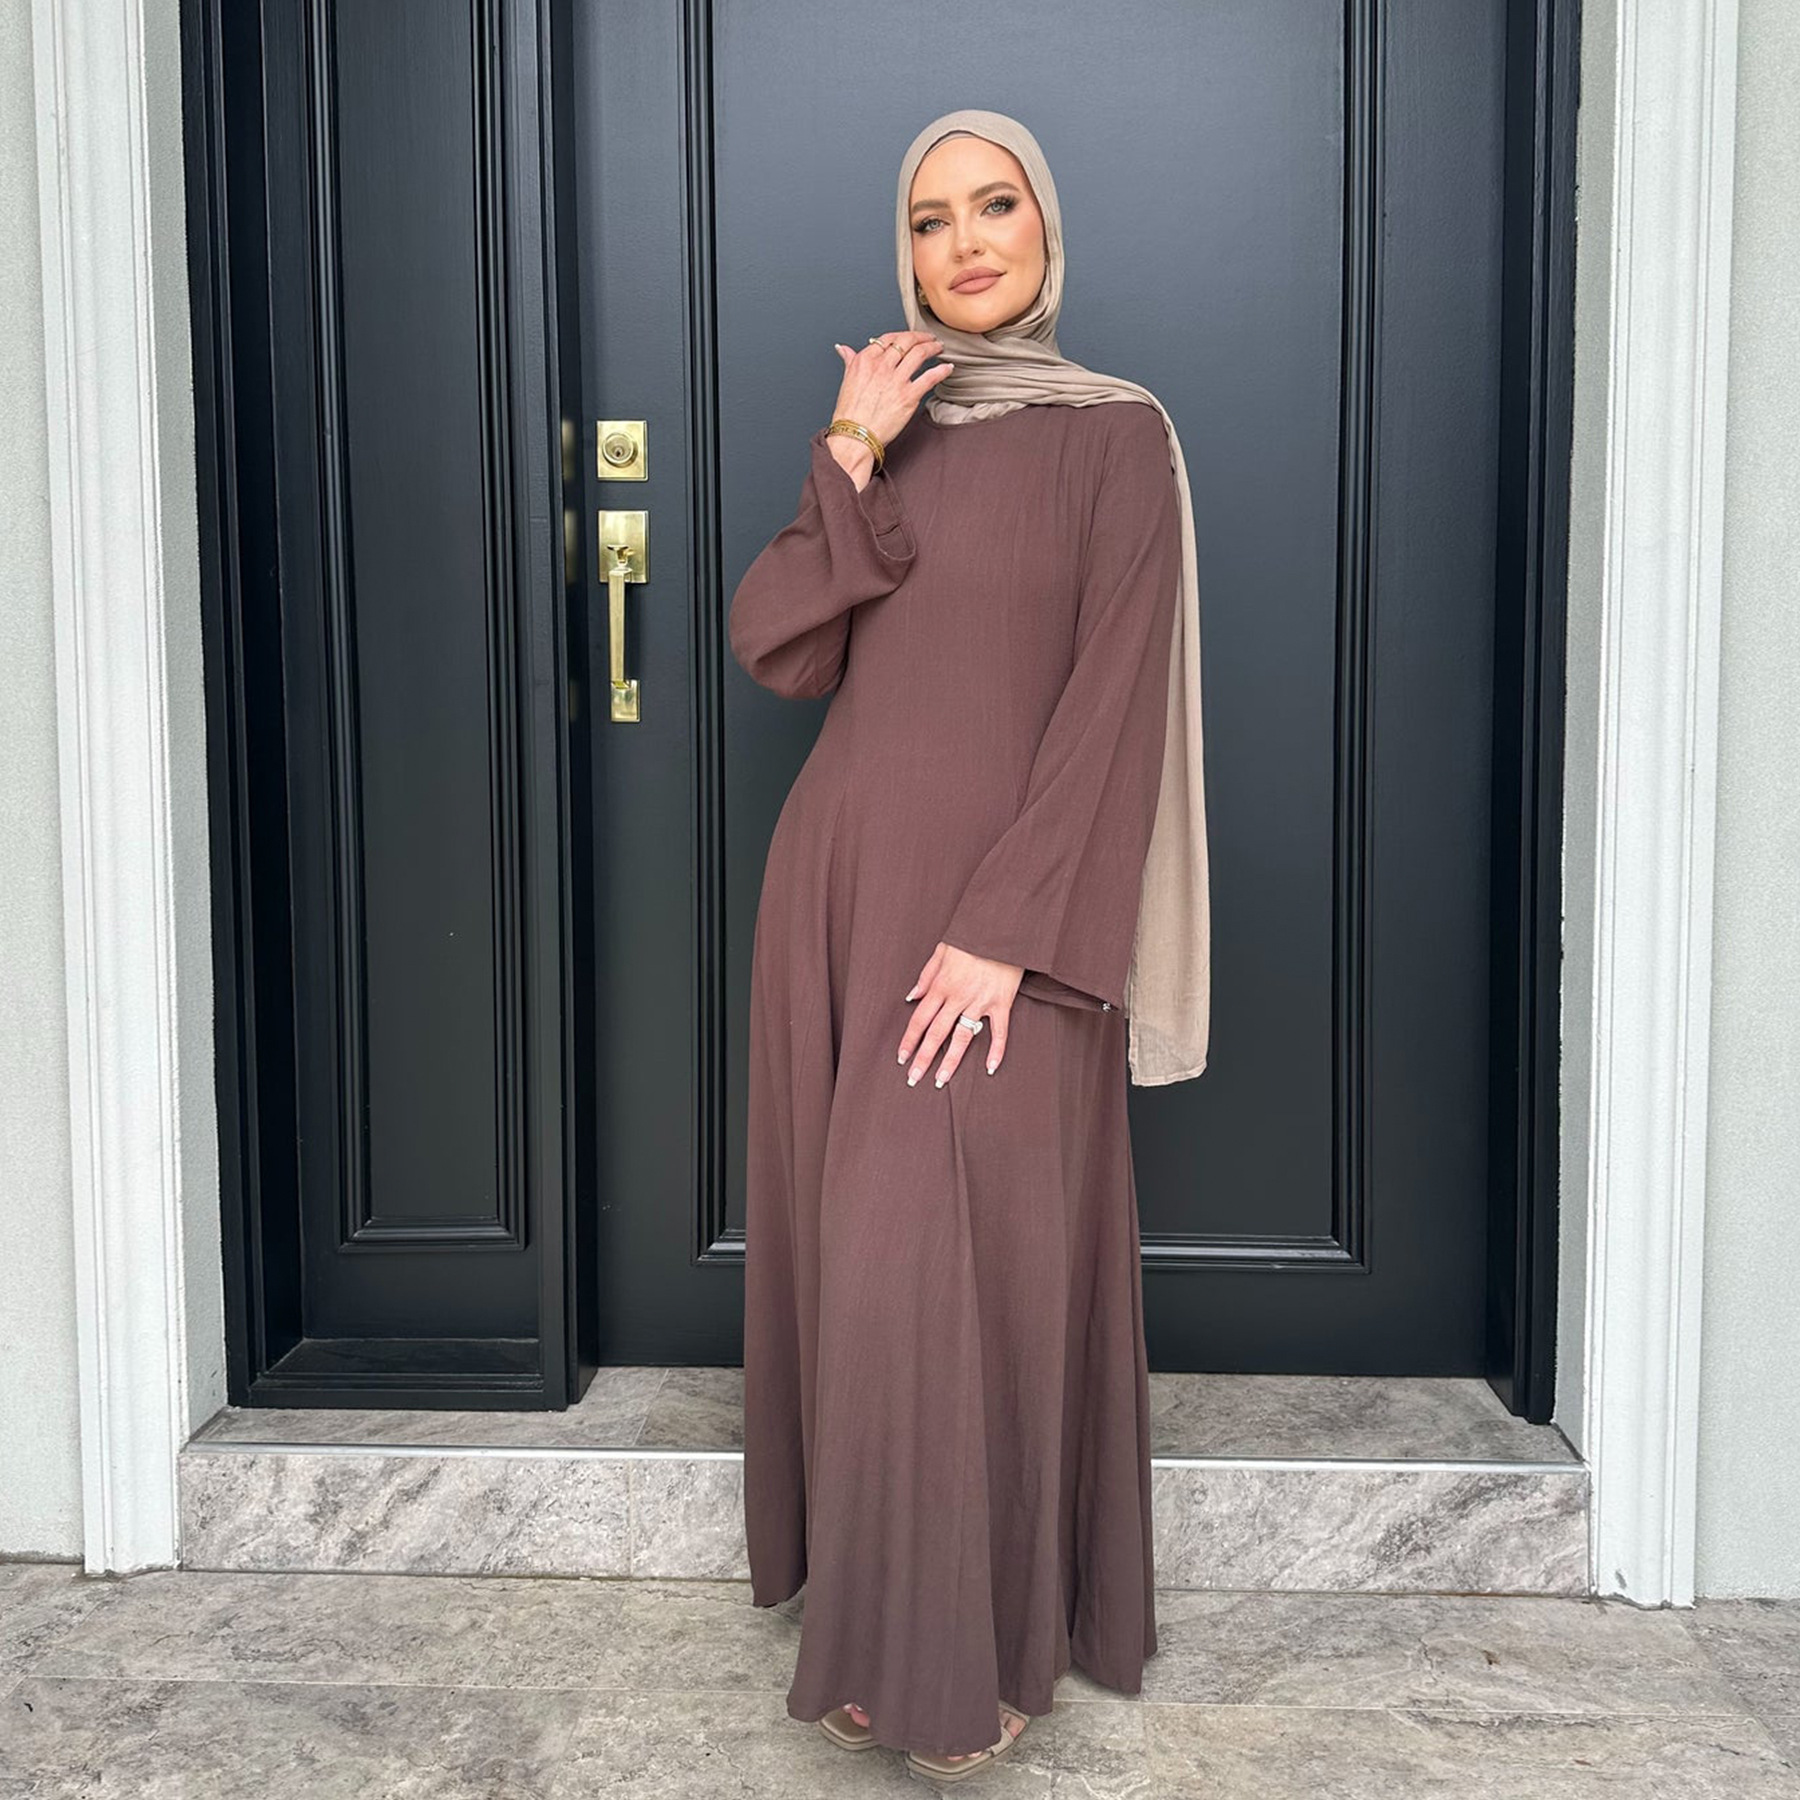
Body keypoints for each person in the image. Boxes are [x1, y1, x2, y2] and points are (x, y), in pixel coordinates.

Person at [730, 107, 1211, 1779]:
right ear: (908, 255)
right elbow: (779, 647)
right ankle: (887, 1619)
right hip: (842, 903)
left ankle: (975, 1644)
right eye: (931, 221)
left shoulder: (1118, 435)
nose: (966, 243)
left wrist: (1007, 932)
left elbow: (1116, 702)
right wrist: (847, 452)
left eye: (994, 206)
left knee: (965, 1274)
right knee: (870, 1272)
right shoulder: (893, 430)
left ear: (1045, 227)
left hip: (1011, 922)